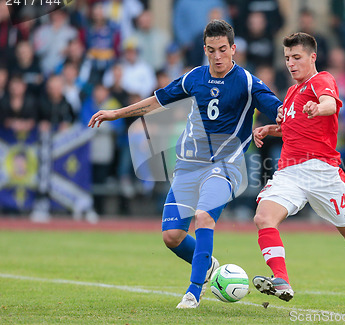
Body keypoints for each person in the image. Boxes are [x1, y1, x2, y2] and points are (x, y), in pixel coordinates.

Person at [88, 20, 282, 308]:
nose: (217, 56)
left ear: (234, 49)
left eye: (223, 50)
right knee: (172, 236)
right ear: (205, 49)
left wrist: (292, 118)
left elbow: (281, 112)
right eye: (212, 50)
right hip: (189, 166)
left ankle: (193, 291)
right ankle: (208, 265)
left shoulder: (248, 82)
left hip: (226, 166)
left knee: (203, 217)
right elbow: (157, 101)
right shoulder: (194, 77)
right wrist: (117, 113)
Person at [251, 32, 345, 302]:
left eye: (297, 57)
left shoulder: (322, 80)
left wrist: (318, 107)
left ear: (313, 57)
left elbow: (330, 104)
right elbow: (293, 129)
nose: (291, 63)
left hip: (323, 172)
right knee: (264, 218)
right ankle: (282, 280)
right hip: (289, 171)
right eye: (287, 58)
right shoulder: (290, 92)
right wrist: (271, 129)